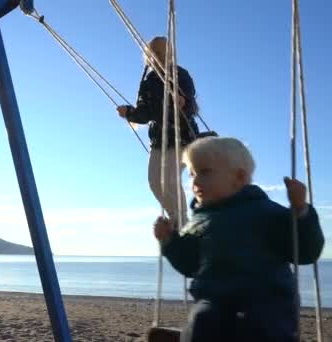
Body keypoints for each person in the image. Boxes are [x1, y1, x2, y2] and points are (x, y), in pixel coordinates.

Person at [153, 137, 325, 341]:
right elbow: (189, 264)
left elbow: (305, 252)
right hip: (214, 300)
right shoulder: (198, 221)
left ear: (240, 177)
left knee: (262, 326)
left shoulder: (265, 212)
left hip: (268, 299)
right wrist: (170, 241)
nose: (195, 181)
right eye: (192, 174)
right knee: (202, 320)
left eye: (205, 172)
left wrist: (300, 212)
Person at [117, 36, 199, 226]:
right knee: (154, 182)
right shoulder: (148, 80)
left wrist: (183, 100)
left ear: (170, 54)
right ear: (149, 55)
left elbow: (190, 103)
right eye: (155, 53)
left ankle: (182, 223)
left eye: (162, 52)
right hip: (158, 139)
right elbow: (145, 114)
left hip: (182, 137)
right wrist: (129, 113)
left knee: (170, 180)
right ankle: (175, 219)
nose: (159, 56)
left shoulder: (181, 74)